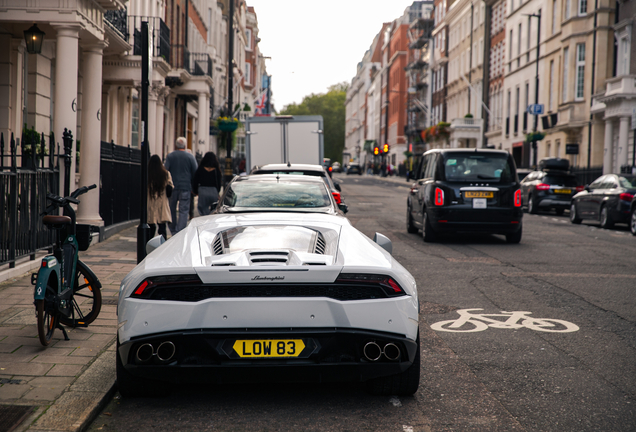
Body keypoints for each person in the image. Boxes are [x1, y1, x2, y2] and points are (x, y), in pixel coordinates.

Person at [164, 137, 198, 234]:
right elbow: (195, 172)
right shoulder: (190, 157)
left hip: (172, 187)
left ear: (176, 145)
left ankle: (173, 230)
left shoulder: (170, 156)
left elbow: (165, 170)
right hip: (185, 187)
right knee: (183, 210)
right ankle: (180, 231)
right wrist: (193, 186)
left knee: (171, 209)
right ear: (185, 145)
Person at [147, 155, 173, 239]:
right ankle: (163, 244)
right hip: (162, 203)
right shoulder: (165, 174)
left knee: (150, 226)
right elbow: (169, 190)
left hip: (150, 203)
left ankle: (148, 245)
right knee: (162, 227)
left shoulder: (147, 174)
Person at [192, 151, 222, 216]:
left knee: (202, 209)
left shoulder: (200, 169)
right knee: (214, 209)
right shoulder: (216, 170)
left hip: (203, 191)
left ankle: (205, 219)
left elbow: (195, 180)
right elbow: (219, 182)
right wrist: (217, 191)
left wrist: (195, 191)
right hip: (213, 191)